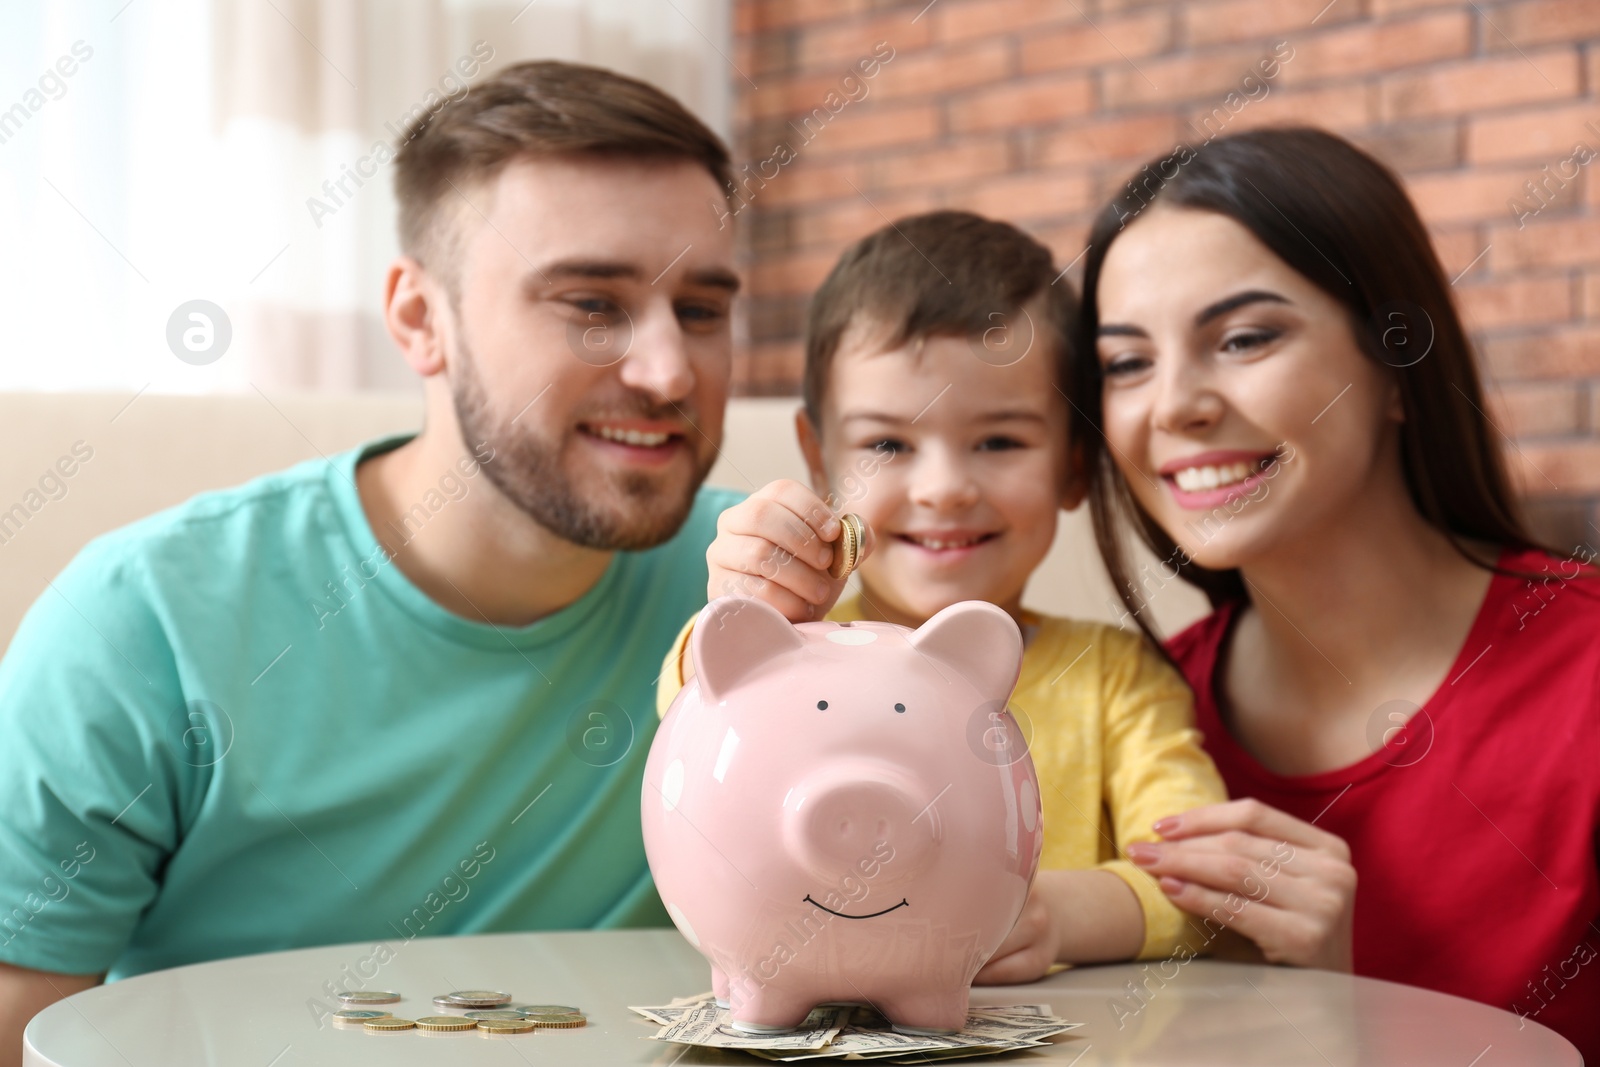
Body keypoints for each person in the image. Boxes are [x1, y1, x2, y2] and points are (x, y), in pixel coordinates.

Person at [0, 60, 746, 1061]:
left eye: (700, 310)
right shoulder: (145, 623)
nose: (667, 370)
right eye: (591, 303)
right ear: (418, 319)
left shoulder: (765, 591)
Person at [1075, 126, 1600, 1059]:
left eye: (1242, 337)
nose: (1174, 405)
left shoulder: (1584, 678)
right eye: (1126, 363)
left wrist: (1343, 1024)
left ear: (1398, 363)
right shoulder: (1141, 715)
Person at [658, 210, 1228, 984]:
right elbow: (689, 708)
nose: (945, 489)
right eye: (888, 444)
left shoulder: (1117, 676)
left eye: (999, 441)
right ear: (818, 457)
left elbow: (1200, 885)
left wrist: (1057, 915)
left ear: (1072, 465)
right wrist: (749, 606)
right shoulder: (795, 646)